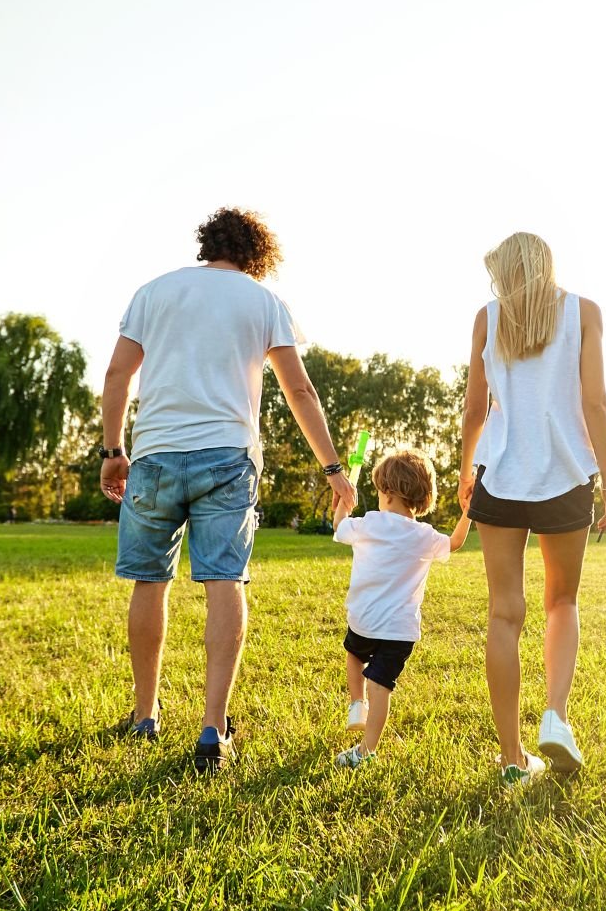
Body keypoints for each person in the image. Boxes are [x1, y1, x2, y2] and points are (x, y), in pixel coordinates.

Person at [100, 207, 357, 774]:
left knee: (149, 582)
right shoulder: (263, 301)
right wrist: (334, 468)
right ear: (257, 255)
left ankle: (145, 716)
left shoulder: (154, 292)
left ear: (207, 244)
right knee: (224, 581)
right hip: (226, 456)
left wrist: (113, 451)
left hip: (156, 454)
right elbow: (300, 391)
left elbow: (118, 375)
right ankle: (214, 729)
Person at [458, 232, 606, 786]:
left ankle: (511, 758)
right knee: (561, 601)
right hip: (565, 473)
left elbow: (476, 407)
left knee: (505, 612)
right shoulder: (585, 313)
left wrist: (464, 472)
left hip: (500, 475)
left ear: (507, 271)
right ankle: (556, 715)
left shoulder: (487, 317)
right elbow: (595, 402)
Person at [332, 449, 471, 768]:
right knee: (381, 684)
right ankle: (366, 750)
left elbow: (339, 527)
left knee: (354, 655)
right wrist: (467, 513)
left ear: (388, 492)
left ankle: (357, 704)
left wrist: (343, 504)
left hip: (363, 621)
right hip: (400, 633)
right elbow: (455, 543)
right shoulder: (424, 535)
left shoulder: (368, 524)